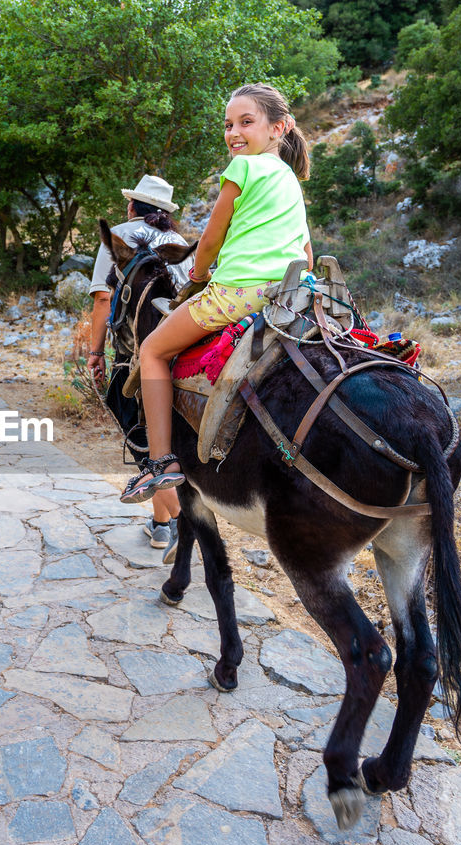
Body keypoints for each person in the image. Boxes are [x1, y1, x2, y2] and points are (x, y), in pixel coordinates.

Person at [120, 82, 313, 504]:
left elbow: (210, 238)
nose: (234, 133)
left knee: (152, 350)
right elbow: (307, 256)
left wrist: (201, 271)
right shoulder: (290, 182)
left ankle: (160, 464)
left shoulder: (242, 168)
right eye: (228, 125)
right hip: (287, 294)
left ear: (279, 127)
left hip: (237, 292)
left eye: (246, 122)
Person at [88, 175, 192, 561]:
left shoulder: (118, 237)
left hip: (134, 355)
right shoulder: (179, 243)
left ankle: (181, 524)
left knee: (143, 441)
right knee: (163, 442)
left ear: (133, 206)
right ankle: (161, 525)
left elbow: (103, 298)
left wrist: (96, 351)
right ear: (164, 213)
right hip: (183, 351)